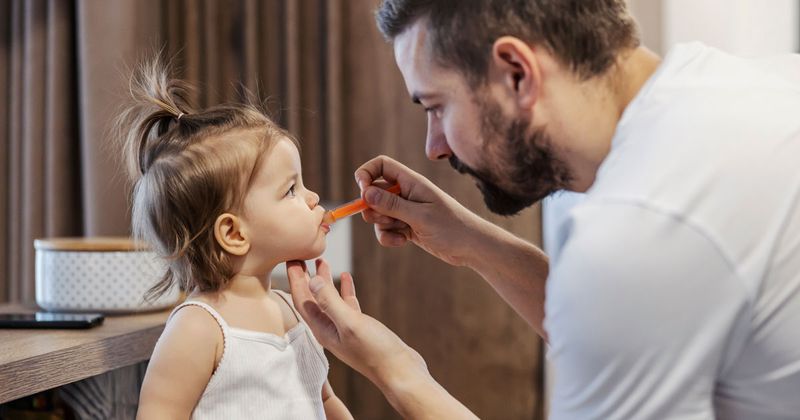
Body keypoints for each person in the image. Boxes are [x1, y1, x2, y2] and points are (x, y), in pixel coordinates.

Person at [286, 0, 800, 418]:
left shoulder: (637, 235)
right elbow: (628, 323)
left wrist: (395, 368)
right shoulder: (754, 86)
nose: (434, 148)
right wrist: (469, 240)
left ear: (516, 73)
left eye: (437, 106)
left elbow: (622, 292)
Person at [117, 58, 353, 419]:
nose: (312, 198)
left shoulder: (294, 309)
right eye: (291, 189)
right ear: (233, 233)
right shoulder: (199, 328)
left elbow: (323, 401)